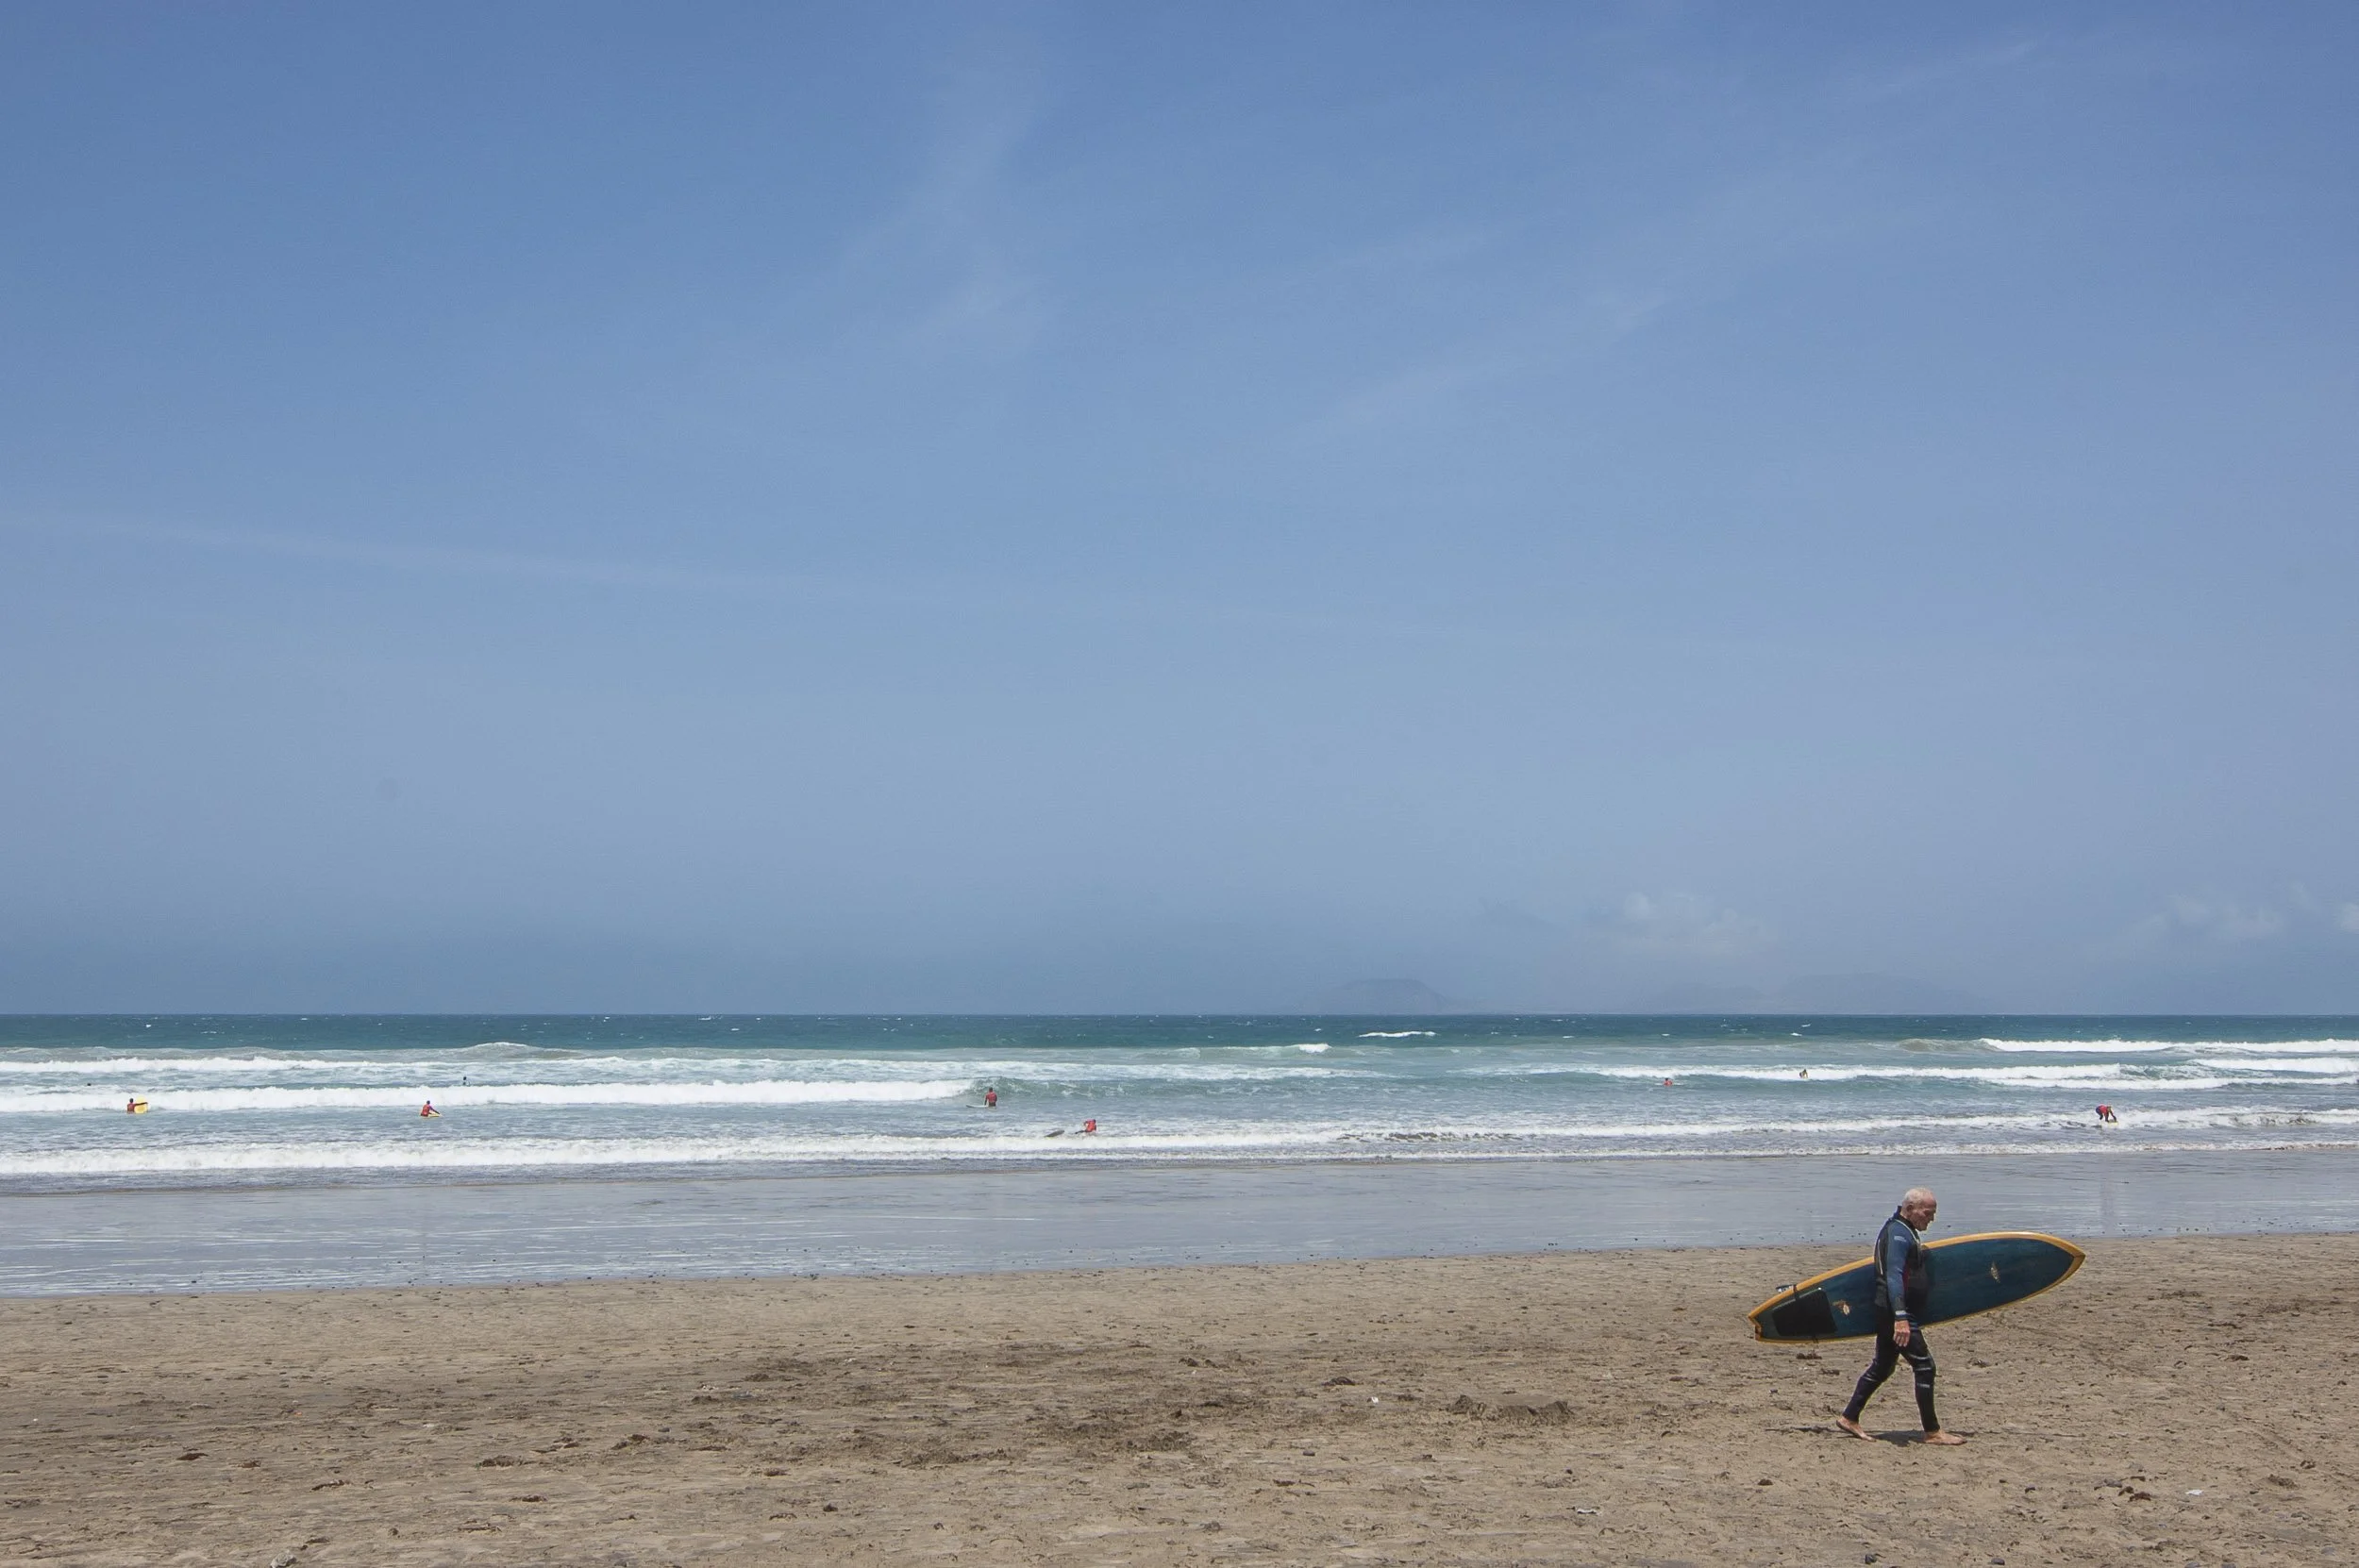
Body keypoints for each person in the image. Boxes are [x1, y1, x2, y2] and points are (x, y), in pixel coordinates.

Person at [1836, 1187, 1966, 1445]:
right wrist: (1901, 1317)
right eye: (1928, 1213)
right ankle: (1932, 1432)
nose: (1931, 1218)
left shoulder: (1904, 1231)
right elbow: (1892, 1277)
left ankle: (1849, 1418)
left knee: (1883, 1367)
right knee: (1925, 1366)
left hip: (1891, 1312)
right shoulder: (1897, 1234)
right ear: (1910, 1209)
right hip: (1895, 1312)